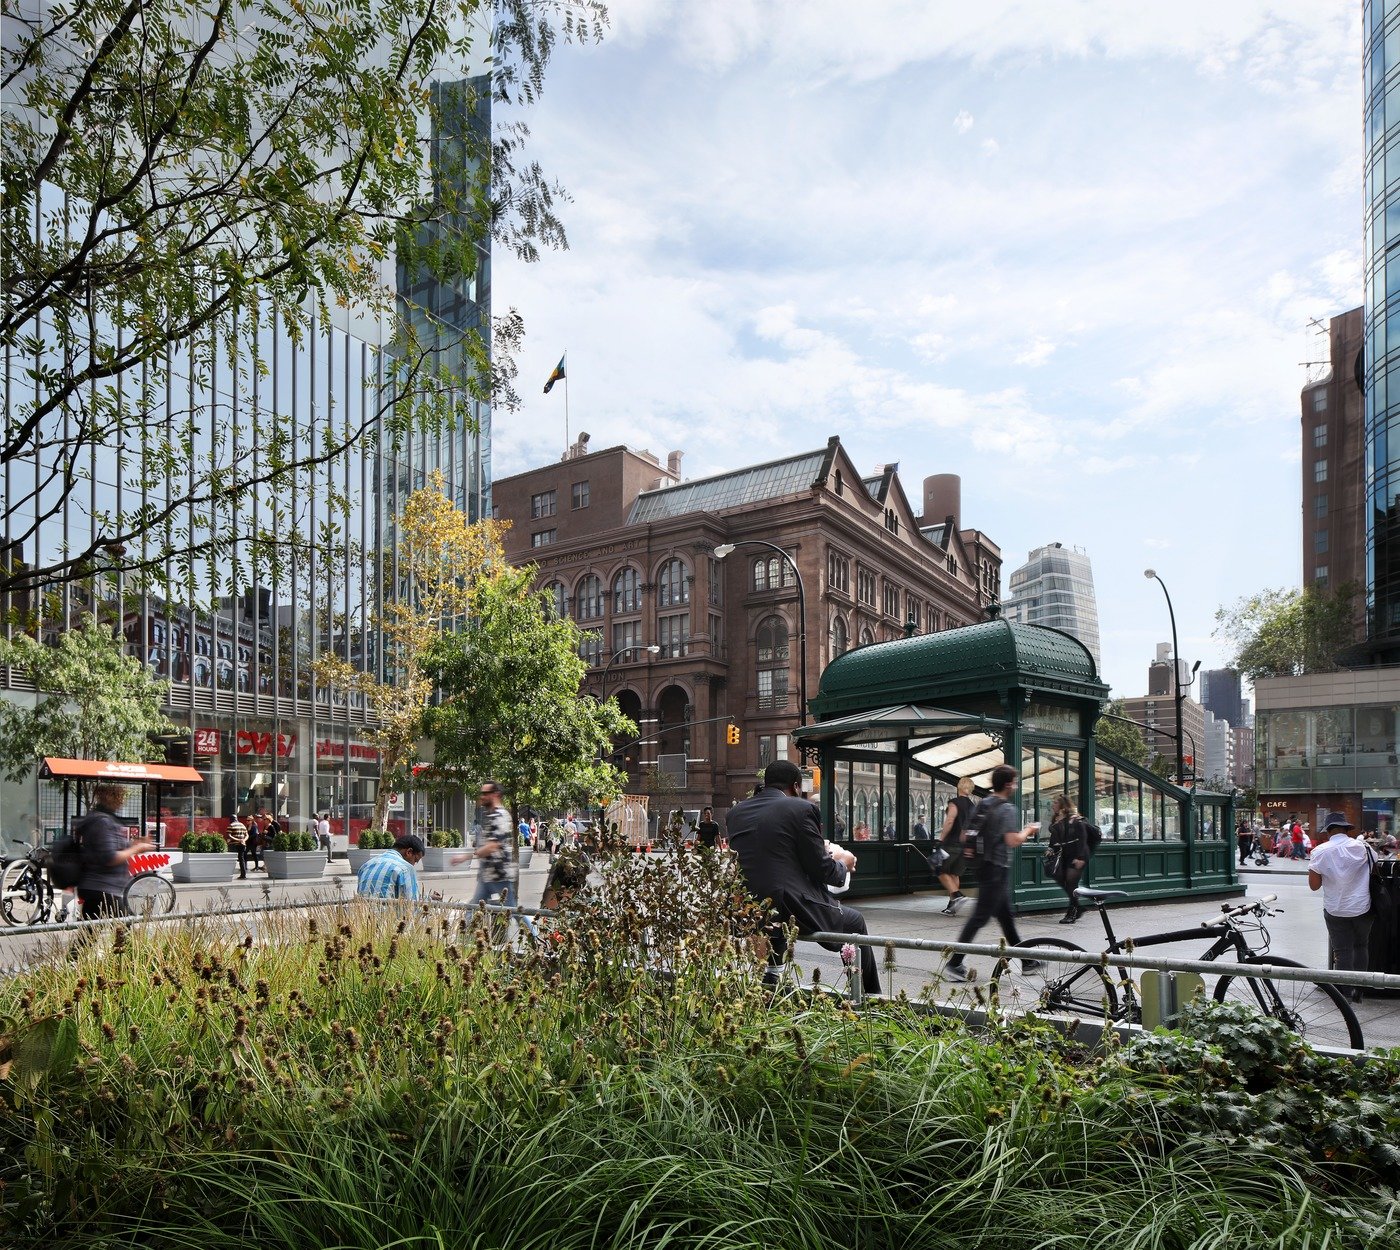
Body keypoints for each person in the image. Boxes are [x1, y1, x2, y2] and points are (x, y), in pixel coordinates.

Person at [727, 759, 879, 995]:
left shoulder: (736, 813)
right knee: (854, 922)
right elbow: (821, 868)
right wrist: (842, 864)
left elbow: (771, 857)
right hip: (787, 903)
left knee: (774, 905)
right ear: (796, 786)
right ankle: (869, 997)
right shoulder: (800, 808)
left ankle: (773, 977)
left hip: (747, 904)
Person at [944, 765, 1043, 982]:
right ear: (1008, 784)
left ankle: (1026, 961)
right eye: (1015, 782)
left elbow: (963, 836)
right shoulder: (1007, 809)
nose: (1016, 785)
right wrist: (1029, 830)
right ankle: (953, 964)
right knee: (979, 918)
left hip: (982, 867)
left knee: (1005, 917)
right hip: (996, 869)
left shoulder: (983, 803)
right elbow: (1012, 841)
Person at [1308, 812, 1374, 1003]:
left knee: (1342, 951)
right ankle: (1359, 989)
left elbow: (1314, 885)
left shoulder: (1320, 851)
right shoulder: (1364, 847)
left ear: (1328, 831)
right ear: (1347, 829)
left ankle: (1345, 992)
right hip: (1363, 906)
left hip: (1335, 909)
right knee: (1361, 945)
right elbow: (1374, 866)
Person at [75, 784, 154, 918]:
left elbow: (108, 849)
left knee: (90, 935)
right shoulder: (102, 822)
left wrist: (133, 845)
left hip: (100, 887)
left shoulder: (102, 819)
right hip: (103, 888)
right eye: (118, 796)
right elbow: (110, 857)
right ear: (108, 797)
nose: (121, 801)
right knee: (126, 933)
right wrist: (137, 848)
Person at [1046, 793, 1090, 924]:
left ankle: (1072, 912)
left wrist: (1080, 857)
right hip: (1064, 854)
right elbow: (1054, 839)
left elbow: (1083, 837)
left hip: (1078, 853)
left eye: (1055, 803)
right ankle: (1078, 907)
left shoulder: (1074, 819)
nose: (1053, 805)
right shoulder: (1056, 819)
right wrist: (1050, 849)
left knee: (1071, 883)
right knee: (1060, 878)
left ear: (1062, 806)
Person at [937, 777, 975, 914]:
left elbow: (950, 820)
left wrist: (941, 839)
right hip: (965, 846)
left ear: (959, 787)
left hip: (951, 843)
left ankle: (957, 895)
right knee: (954, 874)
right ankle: (952, 906)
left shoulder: (955, 803)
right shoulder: (973, 806)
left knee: (938, 868)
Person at [356, 833, 424, 900]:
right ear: (409, 852)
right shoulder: (406, 868)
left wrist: (428, 898)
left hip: (362, 910)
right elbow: (413, 903)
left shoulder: (366, 865)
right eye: (415, 860)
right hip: (388, 911)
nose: (413, 865)